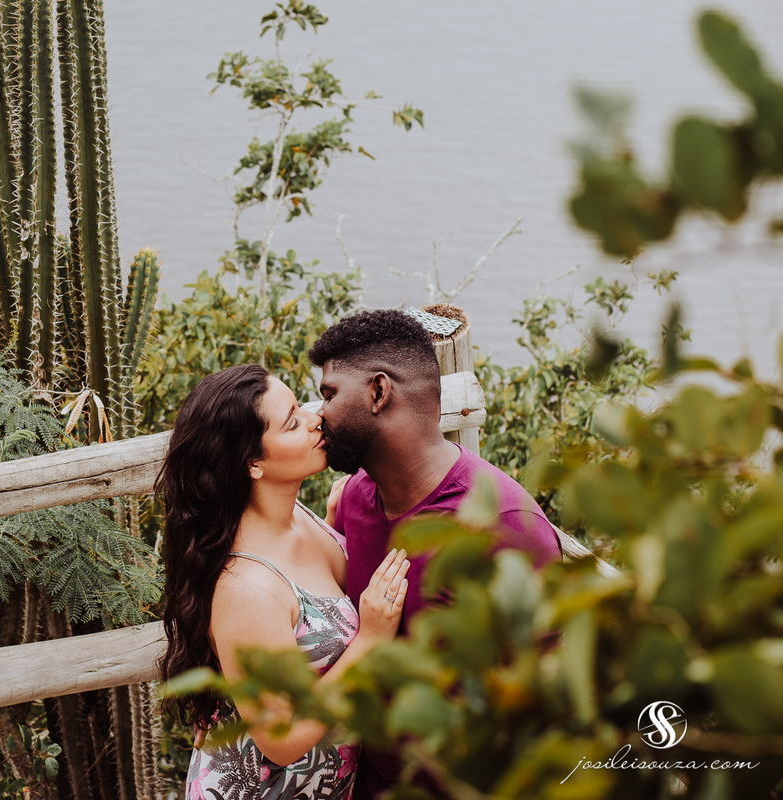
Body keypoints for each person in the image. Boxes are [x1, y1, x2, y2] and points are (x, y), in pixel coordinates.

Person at [310, 308, 563, 798]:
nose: (320, 413)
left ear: (378, 392)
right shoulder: (355, 498)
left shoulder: (505, 525)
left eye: (330, 393)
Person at [158, 364, 411, 800]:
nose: (316, 419)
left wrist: (336, 525)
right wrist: (369, 641)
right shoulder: (246, 590)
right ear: (252, 463)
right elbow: (281, 738)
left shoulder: (297, 516)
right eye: (293, 422)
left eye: (301, 407)